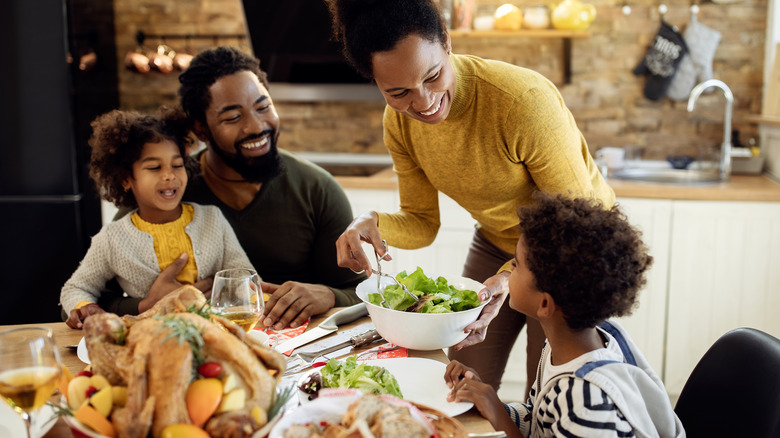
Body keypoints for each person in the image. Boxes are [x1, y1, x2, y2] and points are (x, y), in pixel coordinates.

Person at [327, 0, 615, 394]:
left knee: (548, 391)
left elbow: (580, 224)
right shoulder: (399, 124)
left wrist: (508, 275)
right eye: (398, 91)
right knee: (462, 381)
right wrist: (370, 224)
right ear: (374, 82)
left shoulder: (521, 102)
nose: (424, 102)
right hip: (497, 241)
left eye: (433, 76)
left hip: (571, 252)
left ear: (446, 41)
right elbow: (421, 222)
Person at [103, 46, 366, 330]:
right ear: (201, 129)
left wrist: (328, 295)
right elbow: (94, 298)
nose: (256, 126)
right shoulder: (167, 188)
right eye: (232, 117)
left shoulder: (318, 189)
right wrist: (147, 304)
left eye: (263, 107)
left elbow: (360, 294)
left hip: (301, 356)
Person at [444, 194, 684, 438]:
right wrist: (487, 398)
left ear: (545, 304)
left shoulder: (588, 405)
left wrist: (495, 409)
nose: (509, 271)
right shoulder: (566, 349)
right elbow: (538, 420)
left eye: (516, 265)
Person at [60, 107, 253, 328]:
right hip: (151, 337)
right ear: (125, 179)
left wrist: (230, 295)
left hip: (214, 330)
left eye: (177, 165)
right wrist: (85, 306)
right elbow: (76, 287)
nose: (169, 175)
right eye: (154, 167)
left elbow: (244, 278)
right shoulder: (112, 239)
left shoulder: (212, 219)